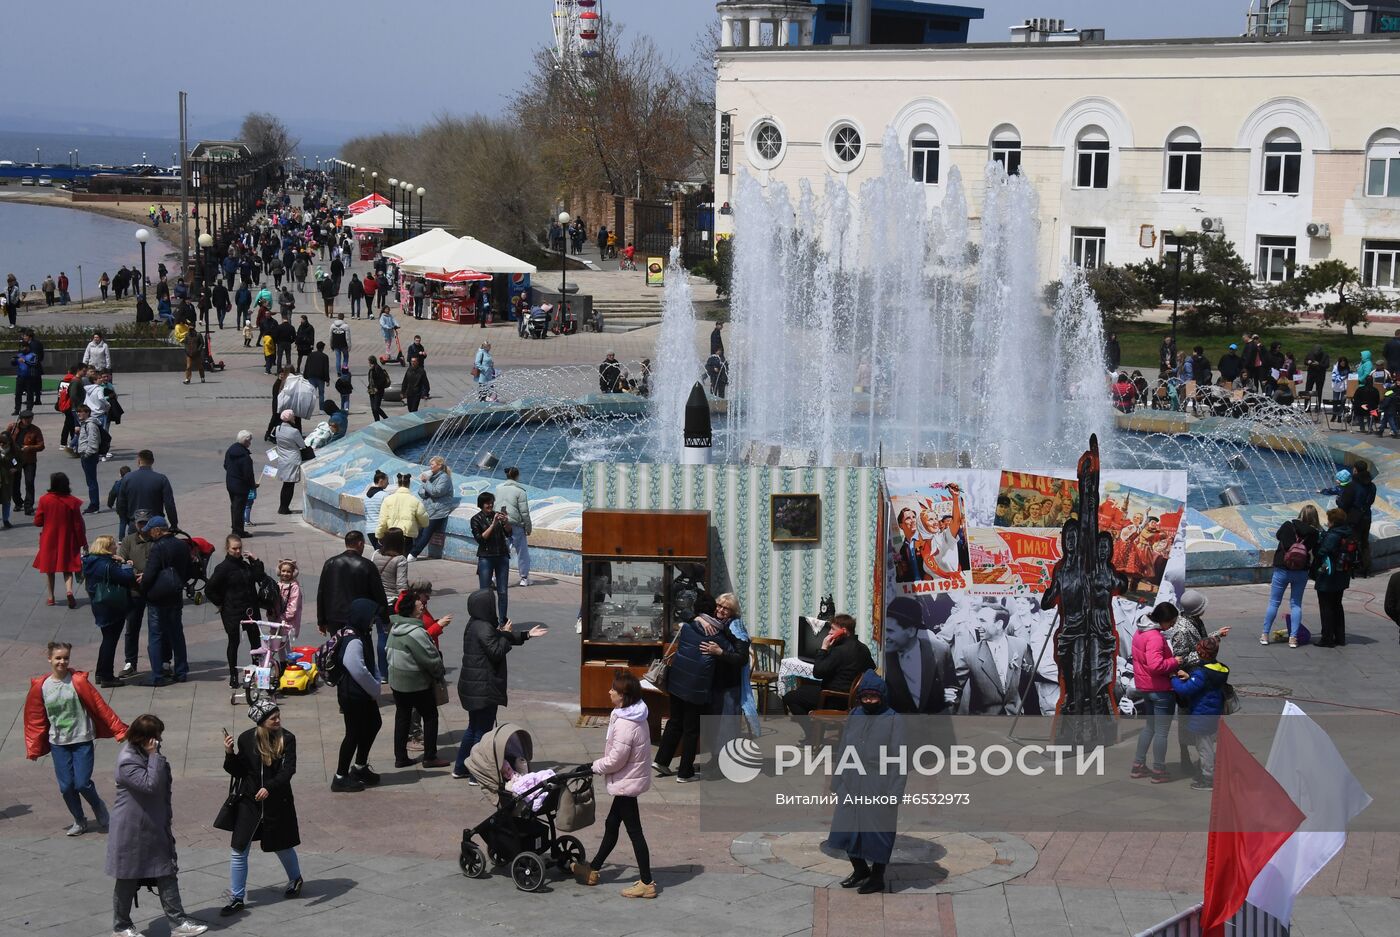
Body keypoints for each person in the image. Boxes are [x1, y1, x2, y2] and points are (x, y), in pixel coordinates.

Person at [106, 713, 210, 937]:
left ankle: (178, 923)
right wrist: (154, 756)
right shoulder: (127, 760)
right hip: (131, 831)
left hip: (153, 827)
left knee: (166, 872)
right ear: (145, 738)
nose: (159, 741)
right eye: (156, 736)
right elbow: (150, 785)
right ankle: (121, 926)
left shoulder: (146, 752)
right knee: (127, 878)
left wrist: (153, 755)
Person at [25, 641, 126, 834]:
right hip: (58, 743)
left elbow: (100, 707)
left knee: (82, 783)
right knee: (66, 787)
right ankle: (79, 820)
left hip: (82, 740)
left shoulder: (78, 681)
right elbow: (35, 719)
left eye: (65, 658)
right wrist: (34, 747)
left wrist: (118, 730)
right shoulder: (42, 686)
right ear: (49, 659)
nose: (62, 662)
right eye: (58, 658)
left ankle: (98, 806)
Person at [572, 671, 656, 899]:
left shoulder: (626, 725)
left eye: (613, 690)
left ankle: (647, 882)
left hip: (627, 781)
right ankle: (593, 869)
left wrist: (592, 766)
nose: (609, 692)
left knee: (634, 832)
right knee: (612, 823)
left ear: (623, 696)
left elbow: (615, 760)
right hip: (630, 778)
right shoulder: (634, 715)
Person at [451, 588, 547, 783]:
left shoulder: (474, 625)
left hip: (472, 687)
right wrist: (505, 635)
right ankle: (477, 774)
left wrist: (525, 635)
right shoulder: (484, 627)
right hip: (484, 688)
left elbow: (495, 638)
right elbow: (496, 649)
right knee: (482, 733)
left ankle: (461, 767)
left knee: (472, 728)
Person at [218, 700, 303, 917]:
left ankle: (295, 878)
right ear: (261, 721)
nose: (278, 720)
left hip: (277, 802)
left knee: (281, 845)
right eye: (273, 718)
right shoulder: (247, 739)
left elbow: (288, 771)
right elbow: (238, 770)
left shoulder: (288, 738)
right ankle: (237, 898)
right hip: (250, 802)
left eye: (278, 716)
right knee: (238, 850)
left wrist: (269, 788)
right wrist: (229, 753)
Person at [827, 670, 905, 895]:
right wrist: (837, 781)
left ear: (882, 696)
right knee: (845, 828)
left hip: (878, 783)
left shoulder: (893, 720)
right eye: (865, 697)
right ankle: (860, 869)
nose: (869, 701)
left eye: (874, 697)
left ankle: (878, 876)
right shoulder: (855, 714)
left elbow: (899, 760)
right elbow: (843, 748)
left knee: (878, 833)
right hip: (851, 781)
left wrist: (894, 793)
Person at [654, 594, 736, 782]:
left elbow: (683, 612)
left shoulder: (689, 626)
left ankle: (661, 760)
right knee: (691, 730)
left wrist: (695, 617)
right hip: (697, 688)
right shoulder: (717, 634)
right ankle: (685, 773)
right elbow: (734, 652)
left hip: (676, 681)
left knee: (675, 721)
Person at [386, 586, 450, 769]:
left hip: (397, 682)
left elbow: (387, 652)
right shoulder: (416, 633)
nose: (422, 605)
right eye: (419, 604)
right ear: (412, 609)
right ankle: (430, 757)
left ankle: (400, 757)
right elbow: (431, 659)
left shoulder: (395, 628)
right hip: (416, 684)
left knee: (402, 717)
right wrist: (439, 673)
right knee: (430, 716)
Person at [316, 530, 389, 672]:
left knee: (338, 650)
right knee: (362, 652)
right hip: (359, 620)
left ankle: (342, 681)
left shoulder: (330, 563)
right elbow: (379, 594)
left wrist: (322, 621)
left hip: (335, 617)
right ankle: (362, 683)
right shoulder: (367, 565)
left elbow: (322, 593)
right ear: (360, 543)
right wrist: (384, 618)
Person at [205, 535, 272, 689]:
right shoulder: (223, 568)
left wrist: (255, 561)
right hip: (233, 610)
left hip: (250, 609)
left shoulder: (245, 565)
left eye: (239, 548)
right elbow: (209, 589)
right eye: (234, 548)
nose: (237, 551)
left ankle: (256, 671)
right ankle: (233, 674)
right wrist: (220, 603)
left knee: (255, 642)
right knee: (234, 642)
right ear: (227, 549)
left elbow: (260, 577)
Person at [781, 613, 875, 715]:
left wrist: (823, 648)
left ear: (843, 631)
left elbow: (817, 673)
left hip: (833, 699)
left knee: (789, 697)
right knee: (803, 689)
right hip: (853, 699)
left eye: (833, 629)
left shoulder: (839, 651)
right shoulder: (864, 648)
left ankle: (813, 727)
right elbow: (872, 668)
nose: (829, 632)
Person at [952, 604, 1036, 715]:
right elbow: (954, 689)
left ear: (999, 624)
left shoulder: (1020, 646)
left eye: (982, 621)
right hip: (983, 723)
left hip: (1016, 720)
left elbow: (1029, 687)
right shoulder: (969, 653)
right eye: (977, 620)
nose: (977, 626)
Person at [1130, 602, 1180, 784]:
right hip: (1160, 689)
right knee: (1161, 732)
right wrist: (1175, 662)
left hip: (1145, 687)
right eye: (1172, 622)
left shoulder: (1140, 631)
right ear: (1164, 620)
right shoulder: (1155, 637)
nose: (1172, 626)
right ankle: (1159, 769)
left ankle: (1138, 765)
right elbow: (1156, 665)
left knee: (1149, 728)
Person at [1170, 637, 1230, 791]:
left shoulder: (1201, 673)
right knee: (1207, 744)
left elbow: (1185, 689)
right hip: (1213, 711)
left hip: (1202, 712)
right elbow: (1205, 683)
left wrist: (1174, 678)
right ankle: (1208, 772)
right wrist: (1192, 677)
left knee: (1204, 748)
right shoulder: (1220, 669)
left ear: (1202, 654)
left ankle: (1208, 777)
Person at [140, 515, 192, 685]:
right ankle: (181, 671)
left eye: (150, 531)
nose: (149, 535)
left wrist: (143, 589)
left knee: (156, 636)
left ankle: (157, 676)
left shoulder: (158, 547)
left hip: (157, 597)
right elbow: (188, 569)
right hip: (175, 595)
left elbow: (150, 574)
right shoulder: (181, 544)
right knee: (177, 634)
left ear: (157, 531)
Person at [881, 596, 956, 714]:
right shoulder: (880, 657)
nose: (885, 636)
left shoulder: (940, 650)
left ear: (911, 631)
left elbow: (953, 687)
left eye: (890, 631)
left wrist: (946, 701)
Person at [82, 535, 139, 687]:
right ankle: (107, 676)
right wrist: (126, 564)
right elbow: (126, 577)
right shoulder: (106, 564)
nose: (116, 547)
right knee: (110, 641)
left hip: (99, 605)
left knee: (107, 639)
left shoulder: (90, 561)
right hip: (112, 606)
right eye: (113, 545)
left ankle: (101, 672)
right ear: (106, 547)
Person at [1260, 505, 1320, 647]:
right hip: (1301, 571)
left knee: (1274, 602)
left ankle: (1265, 635)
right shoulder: (1314, 533)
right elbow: (1314, 549)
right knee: (1296, 604)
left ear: (1300, 513)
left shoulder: (1288, 525)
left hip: (1282, 568)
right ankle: (1293, 638)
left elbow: (1278, 536)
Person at [34, 471, 87, 608]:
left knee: (49, 569)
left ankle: (51, 597)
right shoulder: (72, 501)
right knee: (67, 567)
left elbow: (38, 521)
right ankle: (69, 591)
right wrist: (83, 543)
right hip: (67, 538)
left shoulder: (44, 500)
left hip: (49, 538)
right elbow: (78, 525)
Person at [1314, 506, 1355, 647]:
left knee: (1326, 606)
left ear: (1332, 521)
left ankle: (1327, 638)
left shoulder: (1333, 535)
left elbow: (1322, 552)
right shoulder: (1347, 533)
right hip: (1343, 575)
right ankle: (1340, 637)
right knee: (1337, 605)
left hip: (1329, 577)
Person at [470, 491, 512, 621]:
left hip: (502, 556)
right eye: (487, 503)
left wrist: (505, 522)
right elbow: (481, 539)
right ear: (481, 504)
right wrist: (493, 525)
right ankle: (486, 620)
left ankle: (502, 620)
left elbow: (508, 533)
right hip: (486, 557)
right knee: (485, 592)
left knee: (503, 592)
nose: (490, 505)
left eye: (492, 502)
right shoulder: (476, 519)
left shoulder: (497, 516)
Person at [116, 450, 178, 529]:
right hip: (156, 526)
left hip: (135, 524)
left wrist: (128, 521)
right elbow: (169, 504)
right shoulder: (161, 479)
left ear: (138, 461)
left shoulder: (127, 478)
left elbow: (121, 504)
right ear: (152, 461)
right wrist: (174, 524)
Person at [411, 457, 455, 558]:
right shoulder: (431, 476)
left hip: (438, 510)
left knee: (426, 533)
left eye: (432, 464)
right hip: (428, 509)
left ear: (439, 466)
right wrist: (426, 486)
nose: (430, 467)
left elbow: (436, 492)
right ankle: (411, 551)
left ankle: (413, 554)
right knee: (418, 531)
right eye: (430, 464)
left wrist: (426, 483)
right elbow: (421, 492)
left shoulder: (444, 478)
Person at [497, 467, 533, 586]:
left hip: (500, 522)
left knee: (501, 551)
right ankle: (524, 578)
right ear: (517, 476)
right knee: (522, 551)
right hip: (515, 524)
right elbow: (524, 512)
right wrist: (528, 527)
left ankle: (496, 577)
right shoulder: (520, 491)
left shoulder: (498, 488)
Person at [6, 410, 44, 515]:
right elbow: (4, 439)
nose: (28, 421)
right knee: (14, 483)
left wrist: (29, 448)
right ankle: (18, 502)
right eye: (26, 419)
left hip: (29, 460)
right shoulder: (13, 428)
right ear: (21, 419)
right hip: (14, 460)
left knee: (29, 482)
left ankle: (29, 506)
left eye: (30, 418)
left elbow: (41, 446)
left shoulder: (35, 430)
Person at [377, 472, 429, 545]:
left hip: (392, 534)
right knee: (404, 556)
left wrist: (379, 535)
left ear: (398, 484)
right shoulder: (415, 501)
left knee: (392, 555)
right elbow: (425, 521)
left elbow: (382, 521)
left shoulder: (388, 499)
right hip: (408, 536)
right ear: (409, 484)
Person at [273, 410, 305, 515]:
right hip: (292, 459)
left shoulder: (278, 429)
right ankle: (284, 508)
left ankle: (282, 506)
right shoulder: (294, 432)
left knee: (285, 484)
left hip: (283, 459)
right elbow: (302, 445)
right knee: (290, 486)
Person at [74, 403, 103, 513]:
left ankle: (94, 505)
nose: (78, 414)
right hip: (86, 455)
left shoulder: (90, 425)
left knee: (91, 482)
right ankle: (94, 504)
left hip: (89, 456)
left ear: (87, 413)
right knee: (90, 481)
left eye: (81, 412)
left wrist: (86, 454)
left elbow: (93, 442)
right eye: (78, 412)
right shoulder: (85, 424)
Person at [366, 356, 390, 421]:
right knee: (373, 408)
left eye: (369, 361)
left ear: (371, 361)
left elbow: (382, 380)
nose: (368, 362)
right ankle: (376, 421)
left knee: (376, 407)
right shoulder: (371, 369)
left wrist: (377, 387)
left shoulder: (377, 368)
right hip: (371, 390)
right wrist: (369, 387)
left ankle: (386, 418)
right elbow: (371, 380)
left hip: (378, 391)